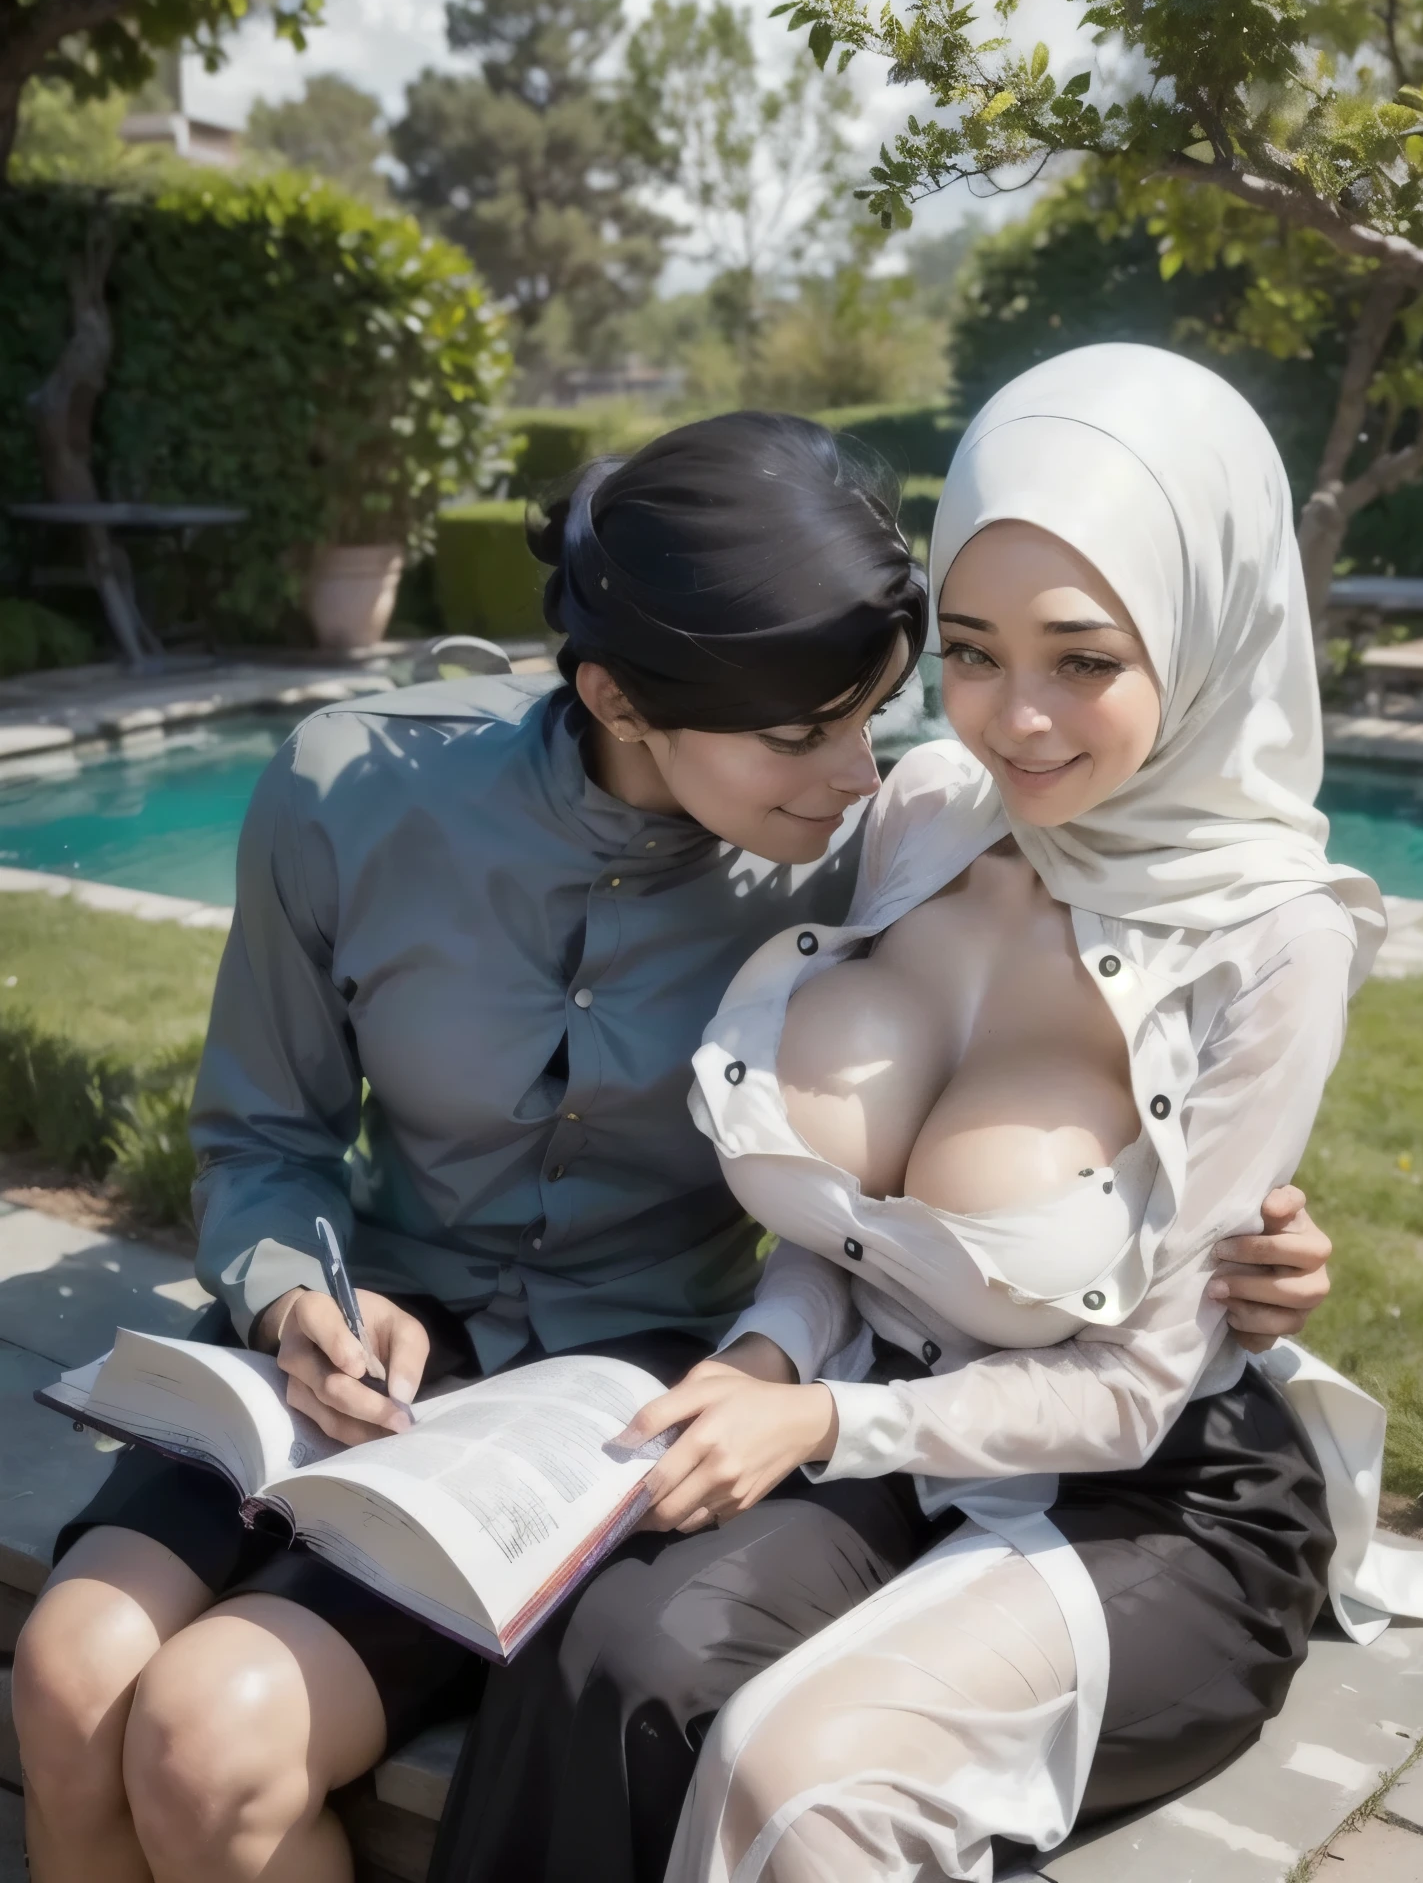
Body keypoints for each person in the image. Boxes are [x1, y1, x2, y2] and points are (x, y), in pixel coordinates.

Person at [13, 410, 1328, 1883]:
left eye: (876, 713)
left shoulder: (873, 848)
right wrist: (288, 1292)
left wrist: (1235, 1227)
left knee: (214, 1736)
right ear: (618, 698)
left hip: (626, 1376)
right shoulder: (350, 791)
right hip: (357, 1331)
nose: (859, 769)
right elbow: (264, 1133)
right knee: (67, 1679)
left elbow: (1073, 1071)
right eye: (802, 733)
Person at [602, 347, 1423, 1882]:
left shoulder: (1281, 934)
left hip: (1153, 1498)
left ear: (1202, 635)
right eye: (975, 651)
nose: (1017, 719)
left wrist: (819, 1416)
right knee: (617, 1658)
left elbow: (1139, 1386)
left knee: (798, 1783)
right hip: (881, 1426)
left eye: (1084, 659)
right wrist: (767, 1350)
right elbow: (850, 1220)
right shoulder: (927, 808)